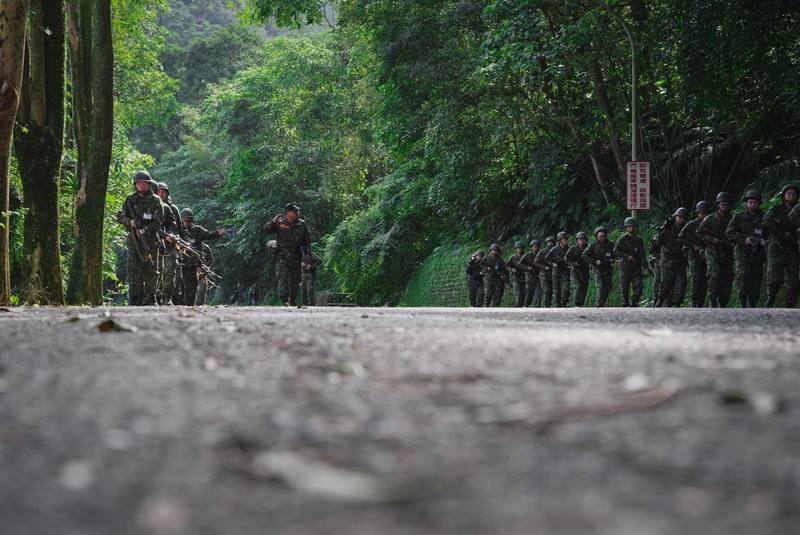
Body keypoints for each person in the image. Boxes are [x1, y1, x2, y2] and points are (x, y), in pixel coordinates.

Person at [116, 171, 164, 306]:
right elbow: (120, 216)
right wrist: (130, 222)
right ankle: (134, 301)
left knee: (152, 271)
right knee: (133, 271)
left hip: (150, 241)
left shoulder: (155, 200)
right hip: (134, 242)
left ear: (149, 184)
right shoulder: (129, 199)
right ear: (135, 185)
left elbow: (158, 221)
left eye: (145, 183)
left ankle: (151, 298)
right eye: (139, 183)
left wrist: (145, 230)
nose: (142, 185)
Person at [264, 203, 312, 306]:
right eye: (294, 211)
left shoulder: (301, 224)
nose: (297, 213)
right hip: (282, 254)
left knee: (296, 279)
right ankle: (284, 299)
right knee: (283, 275)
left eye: (297, 211)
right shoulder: (280, 222)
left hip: (296, 254)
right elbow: (267, 230)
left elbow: (307, 242)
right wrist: (272, 223)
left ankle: (292, 299)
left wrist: (308, 257)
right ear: (288, 212)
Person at [726, 190, 766, 307]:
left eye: (755, 202)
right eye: (750, 202)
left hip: (757, 253)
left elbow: (770, 233)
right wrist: (744, 239)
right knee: (742, 276)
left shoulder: (764, 217)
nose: (753, 204)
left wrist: (764, 241)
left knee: (756, 280)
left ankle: (753, 305)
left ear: (759, 204)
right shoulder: (738, 217)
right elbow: (729, 233)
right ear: (747, 203)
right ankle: (743, 301)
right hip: (742, 251)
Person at [180, 208, 225, 306]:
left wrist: (217, 233)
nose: (186, 222)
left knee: (192, 287)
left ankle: (190, 306)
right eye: (184, 220)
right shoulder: (178, 230)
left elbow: (208, 235)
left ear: (192, 220)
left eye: (188, 220)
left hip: (193, 264)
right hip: (179, 263)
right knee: (179, 287)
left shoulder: (197, 230)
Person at [765, 184, 800, 307]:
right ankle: (770, 300)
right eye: (788, 193)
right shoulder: (776, 209)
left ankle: (789, 307)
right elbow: (766, 222)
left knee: (794, 282)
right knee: (775, 280)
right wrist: (782, 233)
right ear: (784, 196)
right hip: (777, 248)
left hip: (793, 250)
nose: (791, 195)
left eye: (794, 194)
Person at [698, 192, 735, 307]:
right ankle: (712, 299)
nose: (724, 207)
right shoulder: (710, 218)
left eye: (726, 204)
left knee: (727, 277)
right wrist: (711, 239)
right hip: (712, 251)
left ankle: (724, 302)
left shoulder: (733, 218)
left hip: (727, 252)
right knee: (714, 274)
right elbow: (698, 234)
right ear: (718, 205)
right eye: (722, 204)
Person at [157, 182, 185, 305]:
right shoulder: (152, 205)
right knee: (156, 272)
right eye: (159, 191)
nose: (161, 193)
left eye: (164, 191)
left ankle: (167, 298)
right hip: (154, 244)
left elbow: (179, 227)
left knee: (170, 272)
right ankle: (154, 298)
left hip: (170, 245)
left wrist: (175, 237)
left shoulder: (172, 209)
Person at [679, 201, 711, 307]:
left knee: (705, 279)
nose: (703, 215)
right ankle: (694, 302)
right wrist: (692, 246)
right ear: (698, 213)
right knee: (696, 279)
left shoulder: (711, 224)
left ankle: (700, 303)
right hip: (693, 255)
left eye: (705, 213)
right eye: (701, 213)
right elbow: (681, 237)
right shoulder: (691, 224)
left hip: (707, 255)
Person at [655, 208, 688, 307]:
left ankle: (676, 305)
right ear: (675, 217)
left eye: (683, 218)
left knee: (681, 285)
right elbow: (658, 243)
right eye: (679, 217)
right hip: (667, 260)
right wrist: (663, 228)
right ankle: (659, 301)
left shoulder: (687, 228)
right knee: (665, 285)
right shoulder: (668, 227)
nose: (681, 219)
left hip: (680, 260)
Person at [614, 217, 646, 307]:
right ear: (626, 228)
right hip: (625, 267)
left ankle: (635, 302)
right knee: (625, 287)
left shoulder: (639, 240)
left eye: (633, 226)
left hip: (637, 267)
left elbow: (642, 253)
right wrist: (627, 256)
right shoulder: (622, 239)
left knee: (639, 286)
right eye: (629, 226)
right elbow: (616, 251)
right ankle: (626, 303)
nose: (631, 228)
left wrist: (645, 265)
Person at [583, 227, 615, 307]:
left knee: (608, 287)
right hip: (597, 269)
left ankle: (601, 303)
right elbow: (584, 255)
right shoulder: (593, 245)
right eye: (600, 236)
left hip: (608, 268)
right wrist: (595, 261)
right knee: (600, 287)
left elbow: (615, 254)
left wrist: (614, 259)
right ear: (597, 236)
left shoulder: (611, 244)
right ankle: (598, 305)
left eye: (604, 236)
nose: (602, 238)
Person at [546, 231, 571, 307]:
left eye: (566, 239)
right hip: (556, 272)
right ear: (560, 240)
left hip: (565, 271)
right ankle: (558, 306)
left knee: (566, 289)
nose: (566, 240)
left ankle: (564, 304)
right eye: (564, 239)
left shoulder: (569, 249)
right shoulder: (554, 249)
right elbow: (547, 259)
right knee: (557, 291)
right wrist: (553, 264)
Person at [566, 231, 590, 307]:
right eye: (580, 239)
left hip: (585, 270)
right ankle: (576, 303)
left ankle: (581, 304)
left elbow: (592, 257)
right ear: (577, 240)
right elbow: (566, 258)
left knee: (584, 288)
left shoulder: (588, 248)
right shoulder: (573, 249)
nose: (581, 241)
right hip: (575, 271)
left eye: (583, 239)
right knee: (578, 286)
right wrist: (573, 263)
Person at [520, 240, 542, 307]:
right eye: (535, 246)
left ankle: (537, 306)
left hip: (538, 276)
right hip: (529, 277)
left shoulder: (541, 255)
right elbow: (520, 264)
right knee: (529, 294)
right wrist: (527, 267)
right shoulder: (527, 255)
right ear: (532, 247)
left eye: (537, 246)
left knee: (539, 293)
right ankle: (526, 306)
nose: (536, 248)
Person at [536, 236, 555, 307]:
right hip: (543, 274)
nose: (550, 244)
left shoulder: (555, 250)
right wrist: (544, 267)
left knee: (551, 291)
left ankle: (549, 306)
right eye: (548, 242)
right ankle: (545, 306)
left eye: (552, 242)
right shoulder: (542, 251)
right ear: (546, 243)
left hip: (553, 274)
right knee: (546, 290)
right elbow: (535, 262)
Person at [506, 242, 527, 307]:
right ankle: (518, 307)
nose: (520, 250)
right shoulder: (512, 257)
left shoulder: (526, 256)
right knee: (518, 293)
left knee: (524, 293)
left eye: (521, 248)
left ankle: (522, 307)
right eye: (518, 248)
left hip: (524, 276)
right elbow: (507, 266)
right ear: (516, 249)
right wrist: (512, 269)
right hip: (515, 277)